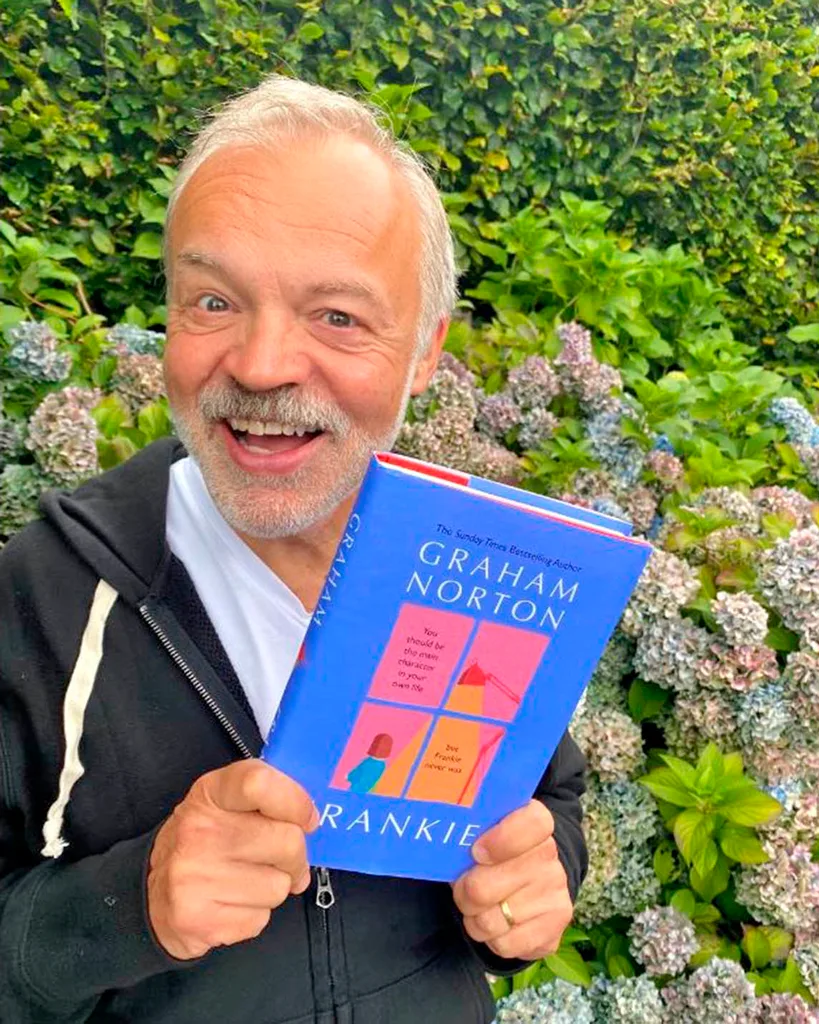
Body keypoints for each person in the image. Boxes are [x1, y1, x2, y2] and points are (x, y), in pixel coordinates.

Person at [0, 77, 588, 1023]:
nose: (261, 365)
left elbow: (547, 794)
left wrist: (535, 875)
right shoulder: (38, 600)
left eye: (337, 316)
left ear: (423, 353)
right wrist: (127, 908)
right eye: (213, 301)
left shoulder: (478, 570)